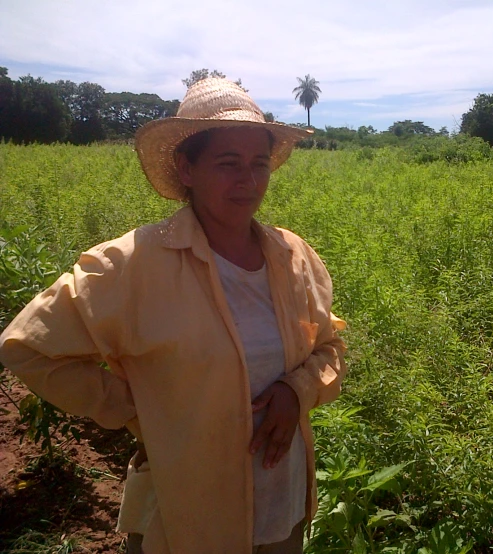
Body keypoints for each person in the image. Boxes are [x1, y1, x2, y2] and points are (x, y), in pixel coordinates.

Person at [0, 78, 347, 554]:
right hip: (185, 516)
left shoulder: (294, 256)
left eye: (259, 164)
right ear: (186, 168)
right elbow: (28, 347)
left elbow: (329, 347)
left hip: (281, 509)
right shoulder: (132, 263)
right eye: (228, 164)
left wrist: (297, 389)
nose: (247, 181)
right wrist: (139, 410)